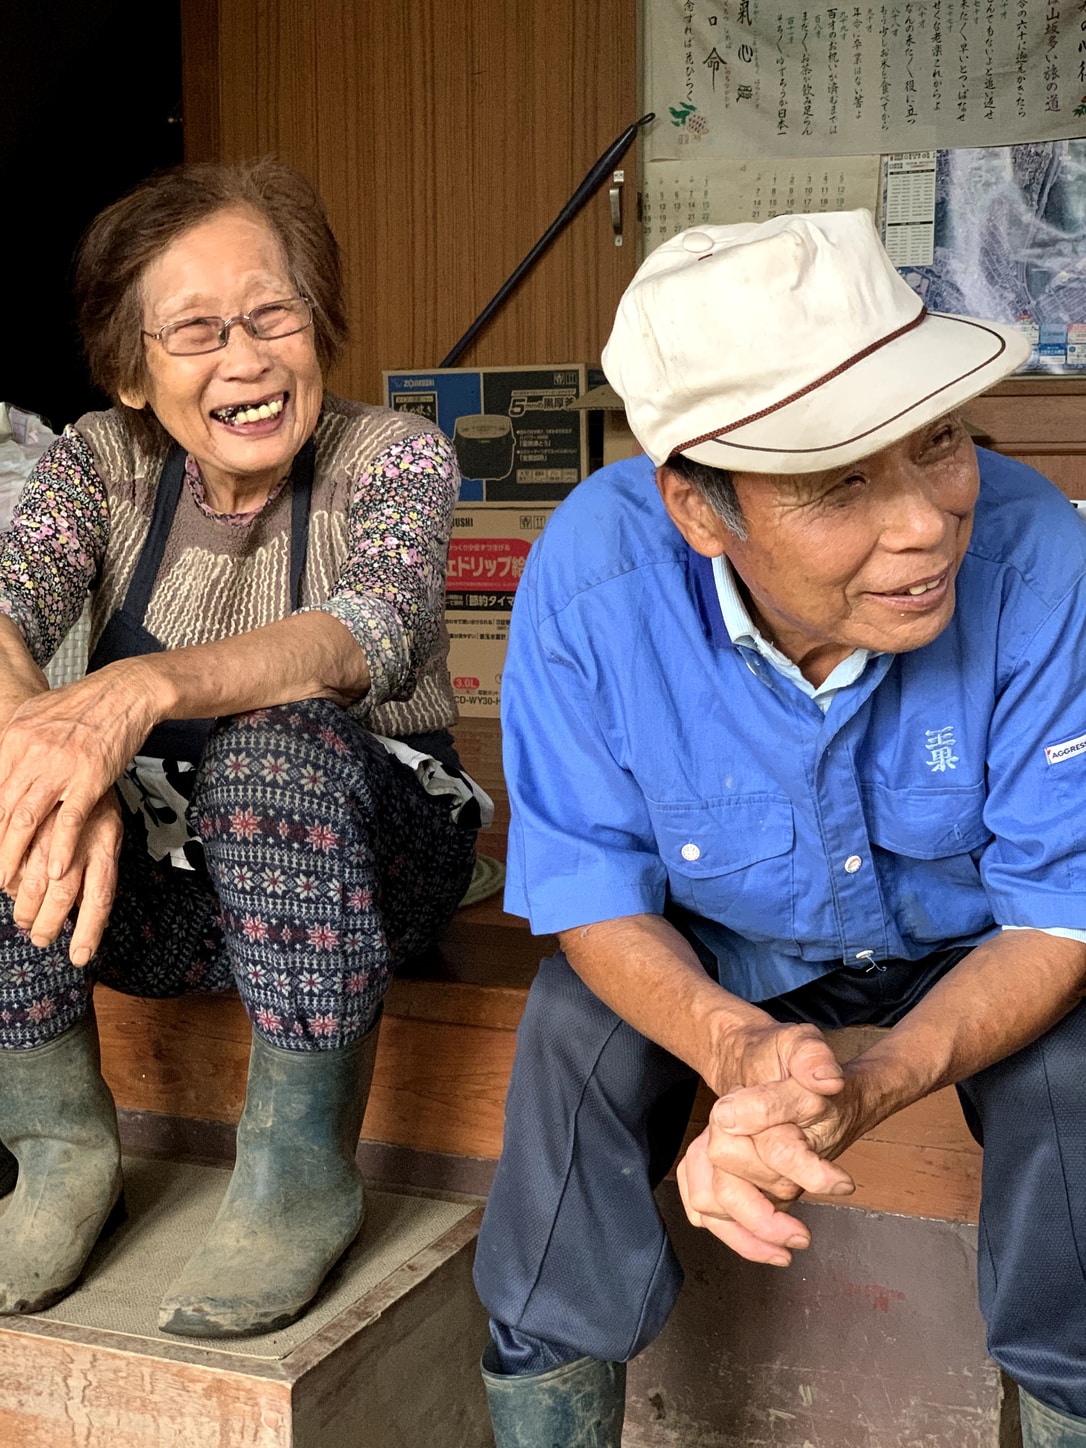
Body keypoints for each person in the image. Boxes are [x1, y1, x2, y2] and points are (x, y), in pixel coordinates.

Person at [473, 210, 1086, 1447]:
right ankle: (549, 1396)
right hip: (732, 952)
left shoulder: (1043, 560)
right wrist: (737, 1045)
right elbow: (594, 892)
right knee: (575, 1036)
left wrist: (883, 1073)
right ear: (700, 509)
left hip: (978, 948)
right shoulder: (595, 584)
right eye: (840, 479)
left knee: (1076, 1070)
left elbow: (1062, 907)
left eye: (940, 441)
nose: (923, 522)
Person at [0, 158, 483, 1338]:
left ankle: (297, 1172)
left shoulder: (394, 458)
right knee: (15, 768)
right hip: (158, 878)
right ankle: (57, 1148)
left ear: (318, 320)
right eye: (197, 331)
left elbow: (372, 627)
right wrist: (54, 753)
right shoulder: (96, 463)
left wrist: (129, 694)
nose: (249, 359)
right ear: (131, 369)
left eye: (275, 315)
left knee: (275, 748)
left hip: (358, 866)